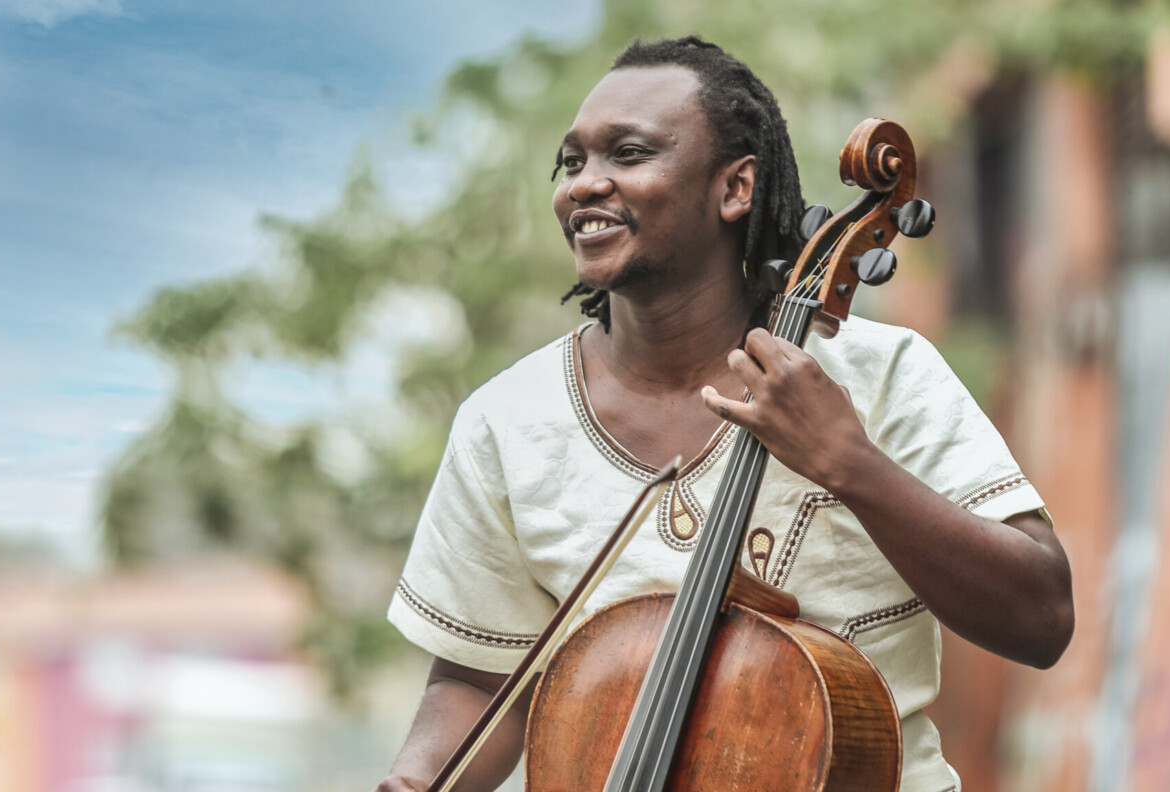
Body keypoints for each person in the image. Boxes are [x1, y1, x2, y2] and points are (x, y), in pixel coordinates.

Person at [376, 36, 1073, 792]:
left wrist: (850, 463)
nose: (584, 185)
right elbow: (481, 684)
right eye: (572, 163)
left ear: (736, 187)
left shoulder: (880, 376)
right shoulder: (506, 424)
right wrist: (414, 783)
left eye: (628, 154)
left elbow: (1040, 616)